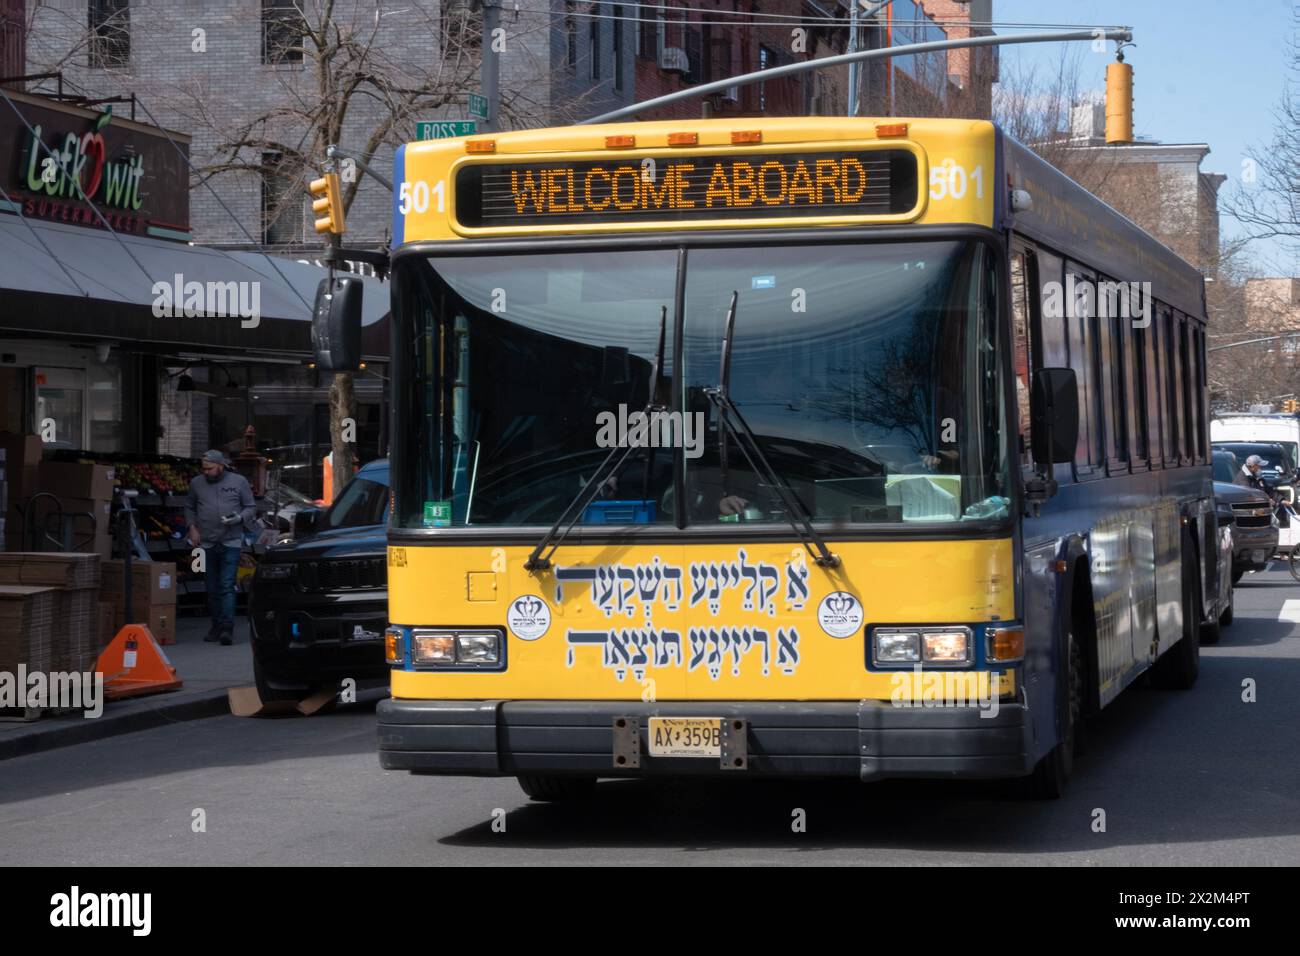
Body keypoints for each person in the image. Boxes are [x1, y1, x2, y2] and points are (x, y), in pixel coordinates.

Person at [185, 449, 256, 645]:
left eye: (209, 468)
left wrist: (239, 518)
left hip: (231, 542)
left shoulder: (238, 482)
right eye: (204, 469)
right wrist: (192, 527)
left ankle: (227, 628)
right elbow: (189, 506)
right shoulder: (196, 484)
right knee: (211, 587)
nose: (205, 472)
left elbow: (250, 507)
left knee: (226, 585)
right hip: (205, 543)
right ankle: (216, 625)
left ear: (220, 465)